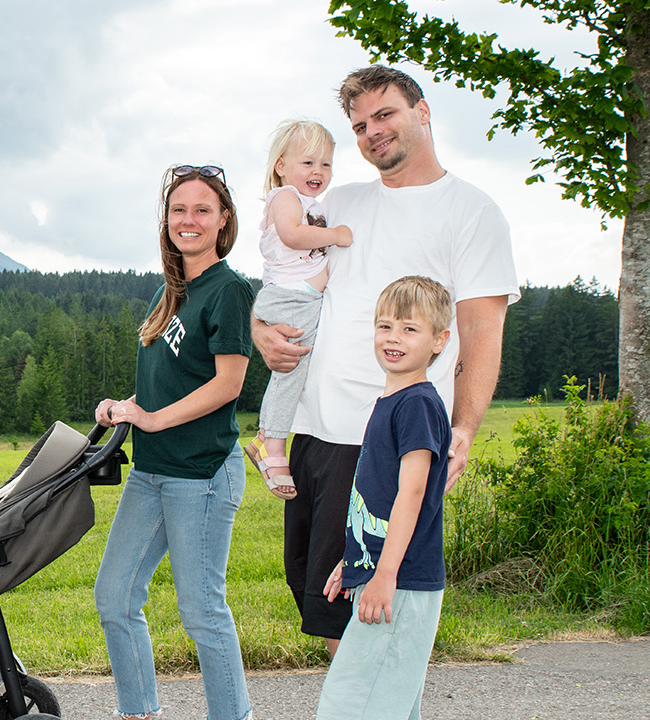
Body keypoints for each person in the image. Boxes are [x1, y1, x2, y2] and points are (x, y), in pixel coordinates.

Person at [253, 65, 518, 657]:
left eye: (385, 115)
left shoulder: (472, 211)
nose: (372, 132)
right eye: (359, 124)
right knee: (315, 599)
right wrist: (260, 330)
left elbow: (482, 331)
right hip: (314, 431)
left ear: (422, 112)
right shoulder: (334, 202)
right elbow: (285, 279)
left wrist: (466, 429)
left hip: (389, 439)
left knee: (365, 617)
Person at [94, 164, 258, 720]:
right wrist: (123, 409)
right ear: (166, 220)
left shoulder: (229, 290)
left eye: (201, 210)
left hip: (202, 472)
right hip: (151, 470)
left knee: (202, 612)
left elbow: (229, 382)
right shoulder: (172, 291)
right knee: (115, 597)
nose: (188, 220)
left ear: (223, 220)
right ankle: (139, 711)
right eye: (178, 210)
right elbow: (168, 378)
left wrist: (158, 419)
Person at [314, 275, 455, 719]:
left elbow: (411, 495)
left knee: (350, 706)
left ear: (439, 340)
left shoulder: (417, 405)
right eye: (385, 326)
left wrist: (385, 574)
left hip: (402, 581)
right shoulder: (392, 400)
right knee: (389, 705)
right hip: (385, 574)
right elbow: (375, 497)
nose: (394, 338)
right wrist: (355, 561)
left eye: (410, 329)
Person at [240, 119, 354, 500]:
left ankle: (263, 438)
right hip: (291, 296)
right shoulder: (285, 197)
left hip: (299, 297)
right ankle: (272, 447)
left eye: (326, 164)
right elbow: (292, 234)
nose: (318, 172)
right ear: (281, 166)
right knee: (292, 370)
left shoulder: (313, 203)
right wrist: (336, 236)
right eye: (308, 163)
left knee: (301, 368)